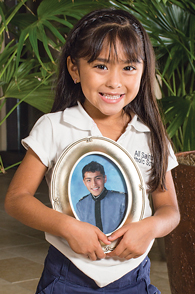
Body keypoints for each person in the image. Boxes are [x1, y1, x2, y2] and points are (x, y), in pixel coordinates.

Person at [4, 8, 180, 294]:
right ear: (75, 69)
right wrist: (67, 227)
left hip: (132, 277)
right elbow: (16, 199)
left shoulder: (152, 135)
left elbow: (170, 210)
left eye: (129, 67)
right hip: (67, 276)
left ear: (143, 70)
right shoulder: (53, 126)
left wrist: (150, 228)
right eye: (101, 66)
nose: (114, 81)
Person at [76, 161, 127, 234]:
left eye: (97, 178)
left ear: (104, 178)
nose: (94, 184)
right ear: (84, 182)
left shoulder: (122, 200)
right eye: (89, 180)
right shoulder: (80, 205)